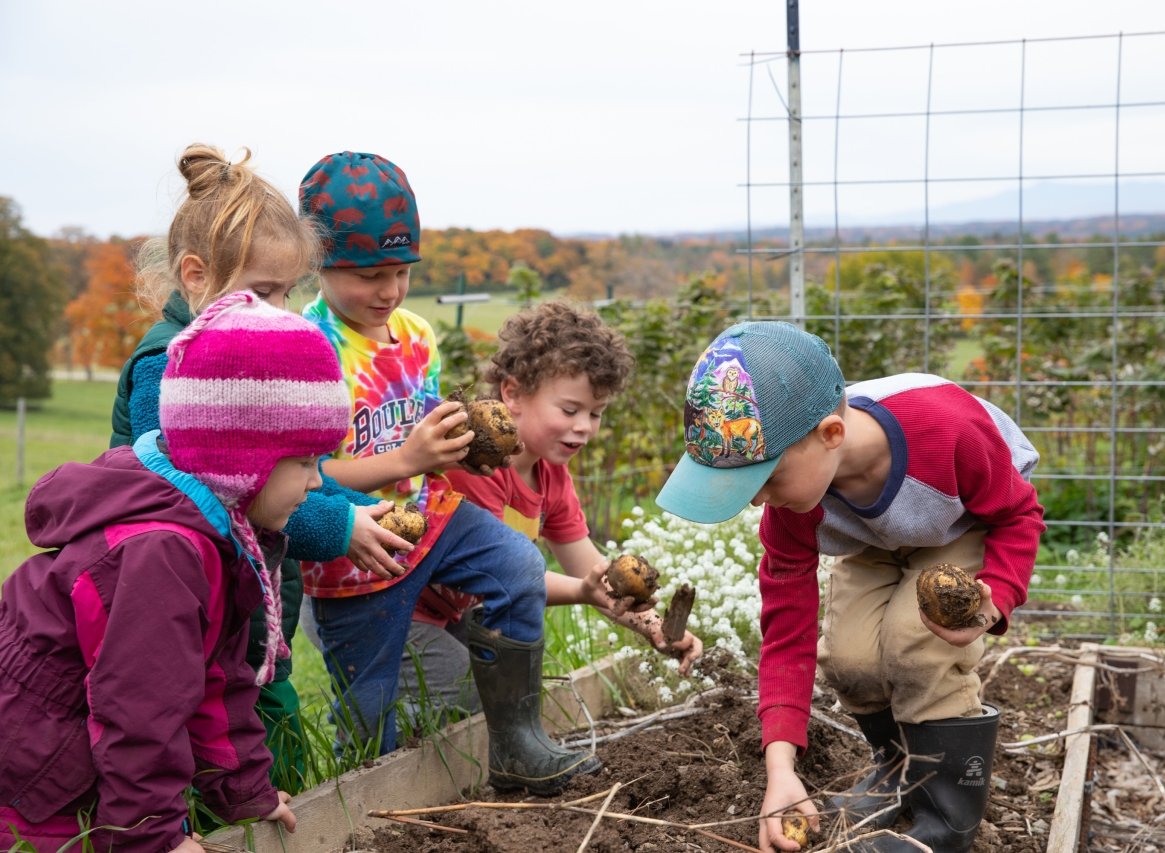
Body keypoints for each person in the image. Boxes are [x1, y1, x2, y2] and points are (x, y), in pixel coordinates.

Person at [655, 322, 1046, 853]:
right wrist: (780, 772)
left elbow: (1018, 513)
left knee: (917, 644)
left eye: (766, 480)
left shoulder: (948, 428)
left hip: (960, 523)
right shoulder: (794, 507)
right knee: (850, 657)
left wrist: (994, 595)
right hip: (876, 540)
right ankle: (898, 771)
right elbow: (787, 633)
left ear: (831, 435)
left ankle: (946, 820)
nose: (755, 502)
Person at [107, 144, 414, 790]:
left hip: (248, 609)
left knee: (274, 758)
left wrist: (352, 507)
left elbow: (288, 464)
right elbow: (212, 500)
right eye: (263, 290)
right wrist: (339, 528)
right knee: (216, 762)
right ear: (195, 275)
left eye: (286, 291)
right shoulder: (171, 366)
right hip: (189, 615)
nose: (277, 308)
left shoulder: (246, 350)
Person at [297, 151, 602, 795]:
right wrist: (407, 459)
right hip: (357, 550)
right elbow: (308, 477)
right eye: (371, 274)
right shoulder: (308, 351)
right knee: (374, 713)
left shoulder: (415, 334)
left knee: (517, 567)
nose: (390, 291)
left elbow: (429, 425)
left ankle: (518, 742)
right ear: (316, 264)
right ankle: (359, 807)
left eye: (403, 272)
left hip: (434, 521)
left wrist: (468, 438)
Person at [0, 292, 349, 853]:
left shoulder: (218, 532)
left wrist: (244, 791)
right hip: (32, 776)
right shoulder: (162, 553)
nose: (315, 483)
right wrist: (151, 838)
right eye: (306, 462)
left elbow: (216, 679)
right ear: (243, 459)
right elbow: (139, 713)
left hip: (72, 758)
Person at [404, 300, 703, 715]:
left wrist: (656, 629)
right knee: (466, 699)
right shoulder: (477, 466)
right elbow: (500, 577)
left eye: (596, 413)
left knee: (491, 698)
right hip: (404, 610)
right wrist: (582, 592)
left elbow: (589, 569)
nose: (584, 426)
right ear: (513, 393)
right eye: (570, 409)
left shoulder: (551, 476)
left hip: (452, 613)